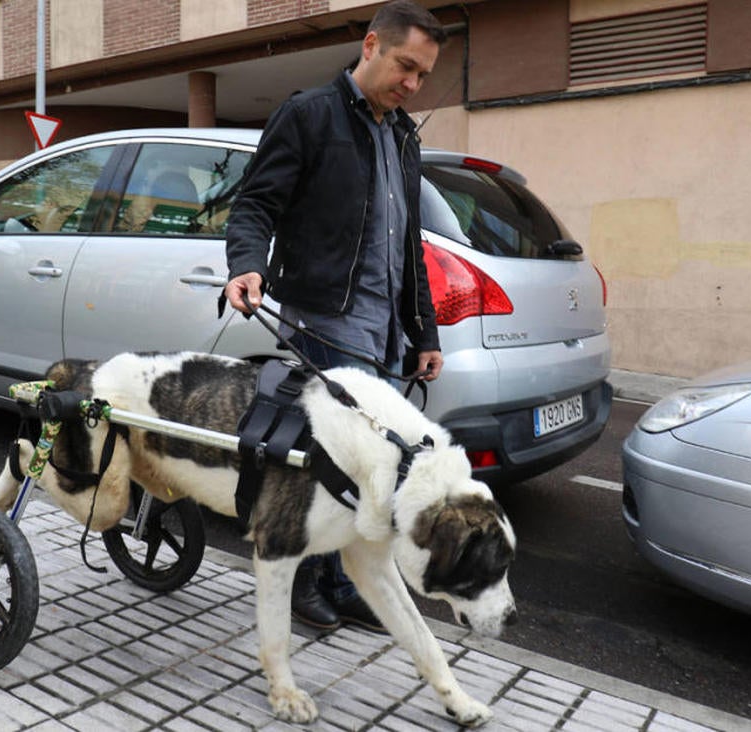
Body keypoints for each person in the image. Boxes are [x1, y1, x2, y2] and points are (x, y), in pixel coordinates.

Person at [223, 0, 446, 634]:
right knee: (319, 464)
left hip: (383, 332)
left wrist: (423, 330)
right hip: (325, 321)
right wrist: (247, 264)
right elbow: (255, 206)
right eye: (405, 65)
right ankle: (303, 582)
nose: (411, 83)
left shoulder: (403, 134)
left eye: (423, 75)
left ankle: (346, 584)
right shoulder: (309, 116)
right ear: (371, 46)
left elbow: (408, 246)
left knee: (368, 465)